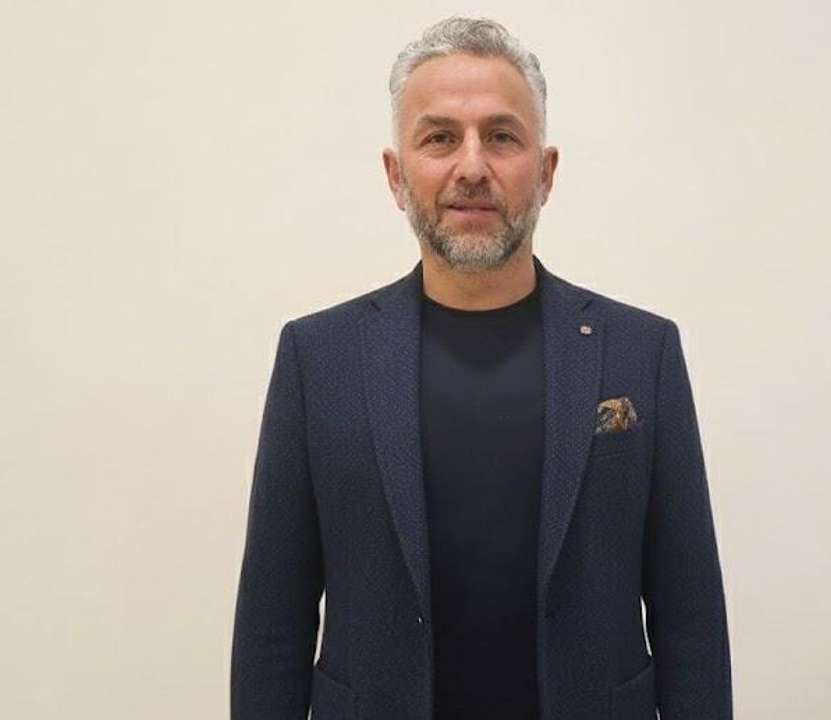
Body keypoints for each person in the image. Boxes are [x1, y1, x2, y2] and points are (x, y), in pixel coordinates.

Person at [230, 16, 732, 720]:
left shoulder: (640, 352)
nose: (471, 167)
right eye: (440, 138)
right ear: (396, 175)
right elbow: (272, 626)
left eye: (501, 136)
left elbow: (691, 620)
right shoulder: (318, 360)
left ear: (546, 172)